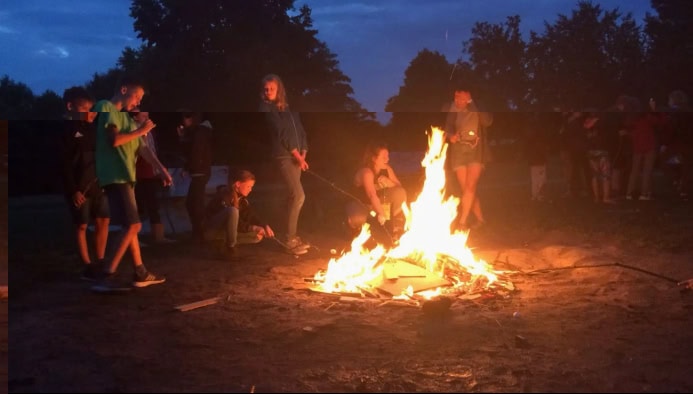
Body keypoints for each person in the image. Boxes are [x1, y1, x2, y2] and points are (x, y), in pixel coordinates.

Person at [91, 76, 173, 291]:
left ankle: (140, 271)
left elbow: (143, 148)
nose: (138, 102)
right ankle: (105, 276)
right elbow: (115, 140)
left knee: (131, 225)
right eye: (137, 97)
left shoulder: (127, 119)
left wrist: (161, 169)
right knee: (133, 225)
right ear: (124, 89)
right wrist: (141, 130)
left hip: (126, 177)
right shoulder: (107, 107)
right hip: (114, 175)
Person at [61, 86, 110, 281]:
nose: (90, 113)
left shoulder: (93, 130)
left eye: (92, 109)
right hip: (79, 188)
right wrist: (73, 190)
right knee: (82, 225)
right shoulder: (65, 131)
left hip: (98, 184)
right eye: (85, 109)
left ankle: (100, 260)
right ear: (70, 106)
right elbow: (63, 164)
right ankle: (88, 265)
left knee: (103, 220)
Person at [258, 73, 310, 256]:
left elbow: (301, 131)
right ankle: (289, 239)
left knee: (292, 197)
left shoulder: (288, 108)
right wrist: (296, 154)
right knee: (298, 195)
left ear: (279, 89)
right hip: (284, 157)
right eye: (266, 89)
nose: (269, 91)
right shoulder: (266, 108)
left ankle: (289, 236)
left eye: (272, 88)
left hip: (297, 157)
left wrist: (303, 152)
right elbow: (281, 133)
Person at [443, 87, 493, 230]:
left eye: (460, 98)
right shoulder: (453, 108)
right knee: (467, 189)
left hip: (475, 150)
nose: (456, 101)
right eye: (455, 97)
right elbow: (448, 126)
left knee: (470, 187)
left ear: (467, 96)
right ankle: (481, 220)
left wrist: (471, 103)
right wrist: (451, 135)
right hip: (458, 151)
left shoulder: (477, 105)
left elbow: (487, 121)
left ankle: (462, 222)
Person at [204, 170, 275, 260]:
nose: (250, 189)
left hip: (224, 232)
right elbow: (235, 222)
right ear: (238, 184)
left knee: (257, 237)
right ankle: (230, 248)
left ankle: (221, 242)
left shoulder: (242, 200)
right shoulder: (224, 196)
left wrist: (264, 225)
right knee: (232, 211)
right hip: (212, 231)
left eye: (251, 187)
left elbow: (250, 215)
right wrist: (252, 227)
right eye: (248, 186)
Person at [347, 142, 407, 244]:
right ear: (374, 159)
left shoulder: (387, 169)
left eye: (387, 156)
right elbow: (371, 195)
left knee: (400, 193)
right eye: (383, 157)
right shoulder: (366, 172)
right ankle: (357, 230)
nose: (387, 159)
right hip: (361, 205)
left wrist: (390, 183)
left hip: (378, 204)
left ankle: (386, 225)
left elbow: (400, 188)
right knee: (359, 217)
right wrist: (381, 214)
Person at [131, 110, 175, 244]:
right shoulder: (133, 132)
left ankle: (159, 236)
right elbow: (140, 151)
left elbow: (154, 151)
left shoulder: (151, 132)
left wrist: (161, 170)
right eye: (144, 116)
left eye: (148, 116)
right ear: (135, 117)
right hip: (137, 174)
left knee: (153, 204)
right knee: (137, 206)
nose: (147, 119)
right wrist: (142, 134)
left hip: (151, 173)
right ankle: (134, 239)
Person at [176, 110, 213, 243]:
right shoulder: (200, 132)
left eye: (186, 118)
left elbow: (194, 152)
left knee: (194, 204)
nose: (184, 122)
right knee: (193, 203)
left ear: (192, 119)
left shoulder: (199, 133)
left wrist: (188, 167)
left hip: (200, 171)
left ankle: (200, 234)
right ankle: (198, 233)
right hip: (200, 171)